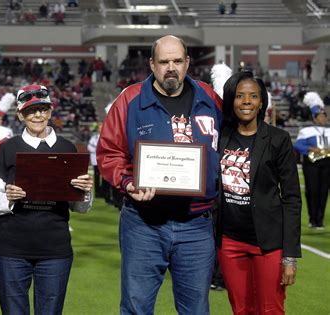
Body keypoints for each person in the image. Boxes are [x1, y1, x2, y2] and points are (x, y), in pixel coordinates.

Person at [96, 35, 223, 314]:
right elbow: (109, 152)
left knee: (197, 310)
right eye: (164, 61)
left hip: (197, 224)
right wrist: (127, 182)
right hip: (144, 222)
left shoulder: (210, 98)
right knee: (136, 308)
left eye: (177, 60)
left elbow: (229, 145)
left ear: (188, 62)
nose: (171, 67)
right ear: (152, 65)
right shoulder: (129, 99)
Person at [0, 84, 93, 315]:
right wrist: (8, 198)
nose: (38, 115)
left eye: (43, 109)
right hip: (11, 249)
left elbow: (79, 208)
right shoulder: (8, 148)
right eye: (31, 110)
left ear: (51, 112)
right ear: (21, 115)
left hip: (54, 249)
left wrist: (85, 191)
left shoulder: (68, 148)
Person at [217, 71, 301, 314]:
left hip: (269, 242)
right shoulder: (221, 137)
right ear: (231, 100)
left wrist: (290, 256)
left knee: (270, 309)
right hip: (230, 242)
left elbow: (292, 199)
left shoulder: (278, 139)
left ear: (262, 101)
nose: (246, 102)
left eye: (253, 96)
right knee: (241, 309)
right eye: (240, 96)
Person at [295, 92, 329, 229]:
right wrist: (310, 148)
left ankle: (319, 220)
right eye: (320, 116)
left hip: (327, 163)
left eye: (324, 116)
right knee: (312, 190)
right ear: (314, 118)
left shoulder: (329, 131)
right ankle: (312, 218)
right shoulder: (306, 131)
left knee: (324, 191)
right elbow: (297, 145)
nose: (323, 118)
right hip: (312, 163)